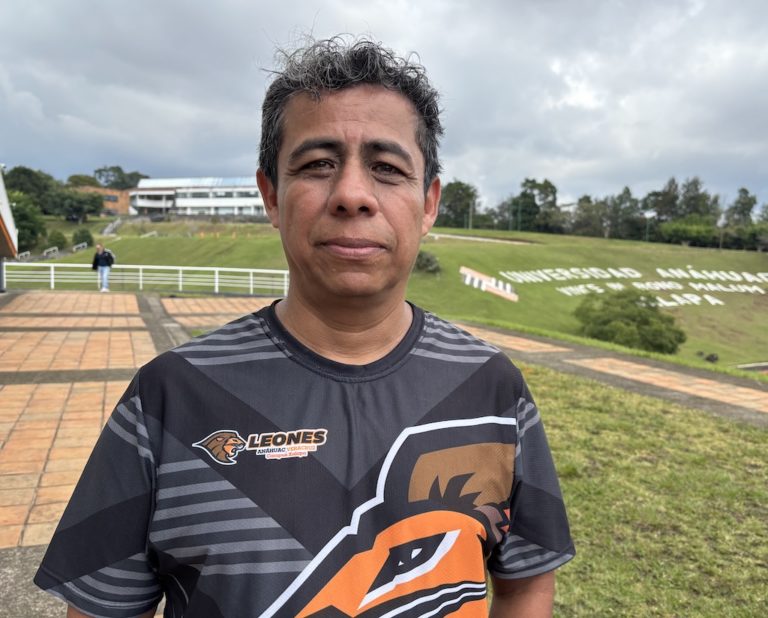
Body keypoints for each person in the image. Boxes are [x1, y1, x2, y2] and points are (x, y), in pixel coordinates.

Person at [35, 36, 574, 617]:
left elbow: (525, 583)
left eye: (388, 168)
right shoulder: (168, 396)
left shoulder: (492, 386)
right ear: (271, 194)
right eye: (318, 164)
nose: (352, 195)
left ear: (428, 203)